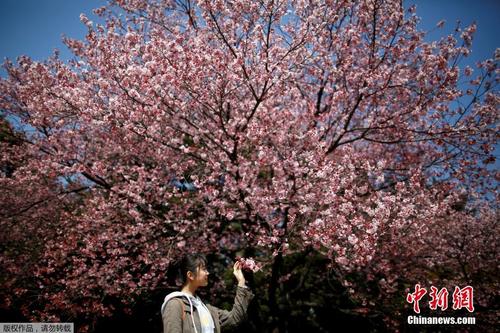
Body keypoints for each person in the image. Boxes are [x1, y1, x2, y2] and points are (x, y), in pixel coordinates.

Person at [161, 253, 254, 333]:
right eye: (204, 269)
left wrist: (241, 282)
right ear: (190, 275)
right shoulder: (174, 305)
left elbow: (235, 318)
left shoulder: (205, 308)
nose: (207, 273)